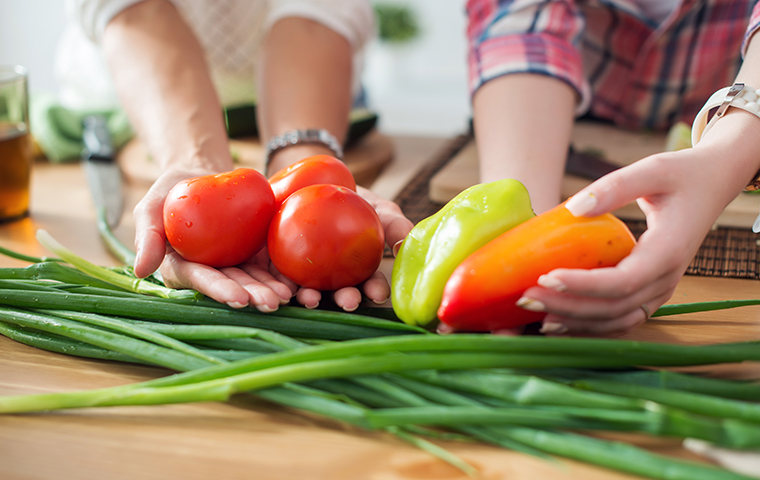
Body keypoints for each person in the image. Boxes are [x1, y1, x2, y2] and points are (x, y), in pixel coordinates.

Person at [60, 0, 413, 313]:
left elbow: (314, 15)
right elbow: (137, 9)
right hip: (145, 94)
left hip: (315, 80)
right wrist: (194, 162)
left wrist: (304, 162)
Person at [464, 0, 760, 337]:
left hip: (736, 119)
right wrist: (521, 234)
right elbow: (523, 30)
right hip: (559, 116)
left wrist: (724, 157)